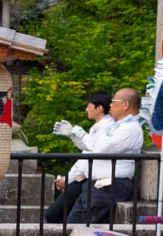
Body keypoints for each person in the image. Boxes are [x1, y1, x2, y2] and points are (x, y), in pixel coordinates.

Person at [61, 88, 144, 224]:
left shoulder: (130, 129)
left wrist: (81, 134)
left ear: (125, 105)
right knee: (73, 223)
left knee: (79, 226)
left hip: (112, 185)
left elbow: (101, 148)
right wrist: (74, 136)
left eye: (113, 102)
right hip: (99, 185)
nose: (110, 105)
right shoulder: (117, 127)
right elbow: (91, 146)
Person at [45, 91, 113, 224]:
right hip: (86, 177)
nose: (86, 109)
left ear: (99, 108)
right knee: (55, 214)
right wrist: (72, 135)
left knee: (55, 214)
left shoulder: (106, 127)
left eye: (89, 106)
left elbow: (92, 152)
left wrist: (68, 178)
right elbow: (87, 150)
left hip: (93, 180)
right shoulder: (98, 126)